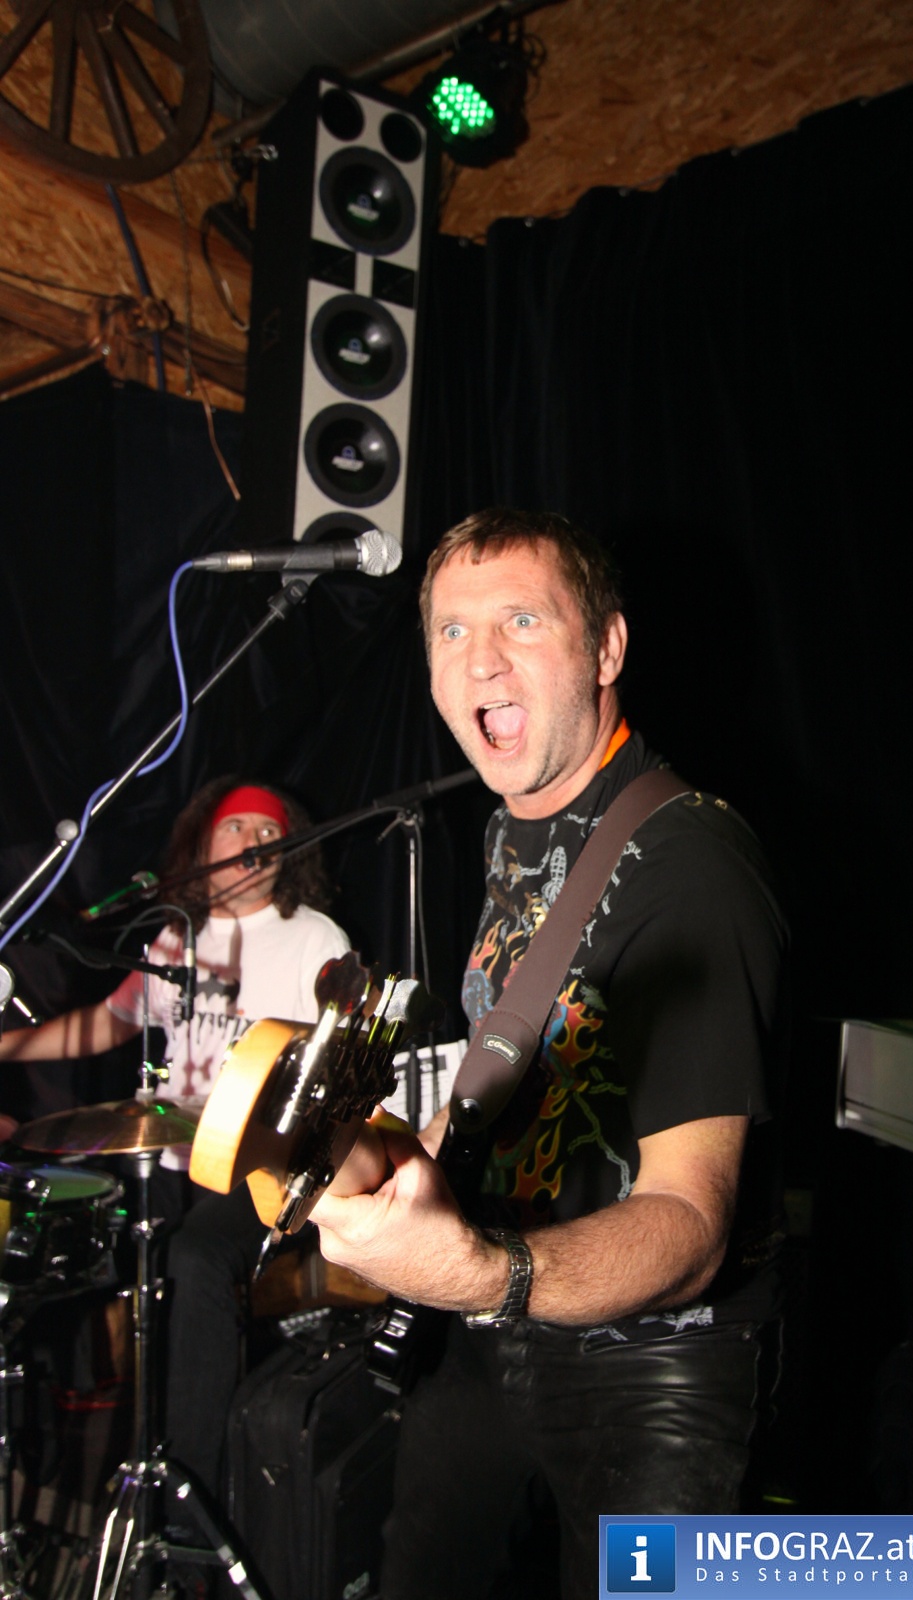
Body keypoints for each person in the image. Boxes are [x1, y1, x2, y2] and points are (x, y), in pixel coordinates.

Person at [312, 509, 790, 1600]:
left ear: (606, 649)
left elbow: (690, 1225)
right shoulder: (514, 823)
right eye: (450, 631)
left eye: (521, 620)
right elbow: (507, 1082)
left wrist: (482, 1271)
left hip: (656, 1370)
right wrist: (372, 1166)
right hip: (501, 1331)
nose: (480, 658)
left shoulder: (689, 865)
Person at [0, 777, 350, 1509]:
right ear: (202, 845)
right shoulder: (173, 938)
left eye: (269, 831)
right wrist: (7, 1046)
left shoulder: (314, 939)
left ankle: (187, 1499)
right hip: (172, 1159)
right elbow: (112, 1021)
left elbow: (340, 1073)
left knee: (194, 1261)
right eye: (236, 828)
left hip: (261, 1173)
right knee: (75, 1240)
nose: (254, 842)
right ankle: (76, 1467)